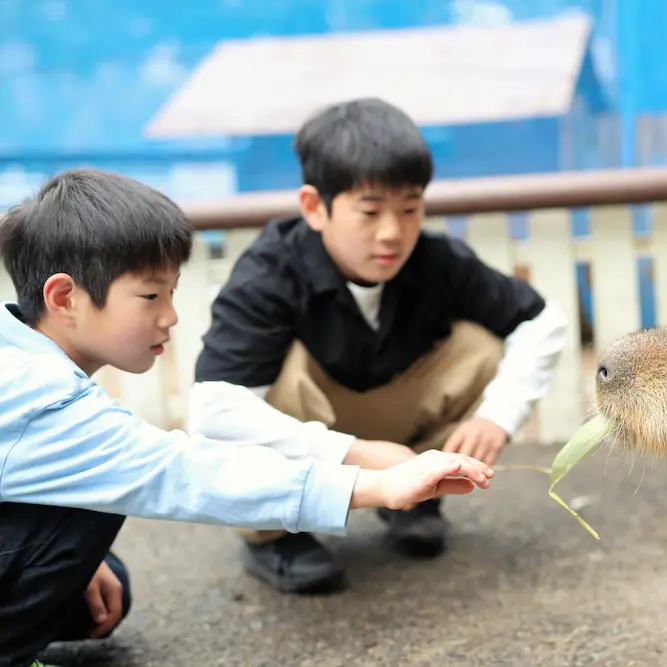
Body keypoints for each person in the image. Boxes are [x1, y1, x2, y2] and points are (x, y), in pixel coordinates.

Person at [0, 168, 494, 667]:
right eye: (151, 296)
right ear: (64, 298)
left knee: (102, 578)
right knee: (87, 518)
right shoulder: (45, 401)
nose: (170, 315)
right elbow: (183, 472)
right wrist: (378, 487)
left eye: (172, 293)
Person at [188, 97, 568, 594]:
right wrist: (354, 452)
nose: (392, 233)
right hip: (311, 428)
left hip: (381, 423)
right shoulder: (268, 276)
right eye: (369, 211)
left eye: (410, 208)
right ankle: (272, 533)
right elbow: (214, 411)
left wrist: (498, 415)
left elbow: (543, 322)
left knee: (477, 348)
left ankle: (418, 496)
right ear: (313, 207)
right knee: (283, 368)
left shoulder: (436, 261)